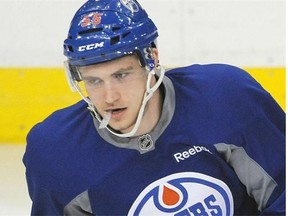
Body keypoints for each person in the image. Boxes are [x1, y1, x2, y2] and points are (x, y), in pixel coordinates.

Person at [23, 0, 285, 215]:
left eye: (121, 75)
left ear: (152, 58)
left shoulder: (226, 98)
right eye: (94, 81)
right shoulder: (56, 153)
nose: (109, 96)